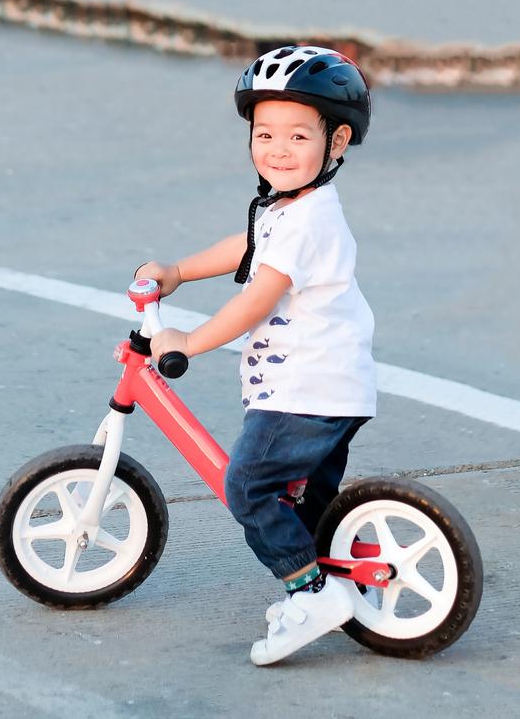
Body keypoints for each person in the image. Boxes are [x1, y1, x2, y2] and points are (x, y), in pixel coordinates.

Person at [135, 46, 376, 666]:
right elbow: (247, 246)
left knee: (247, 486)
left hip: (304, 391)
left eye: (299, 136)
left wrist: (188, 341)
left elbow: (257, 298)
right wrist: (179, 272)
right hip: (332, 387)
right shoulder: (288, 207)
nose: (278, 149)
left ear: (338, 142)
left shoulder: (307, 220)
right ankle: (336, 581)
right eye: (265, 133)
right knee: (307, 504)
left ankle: (310, 595)